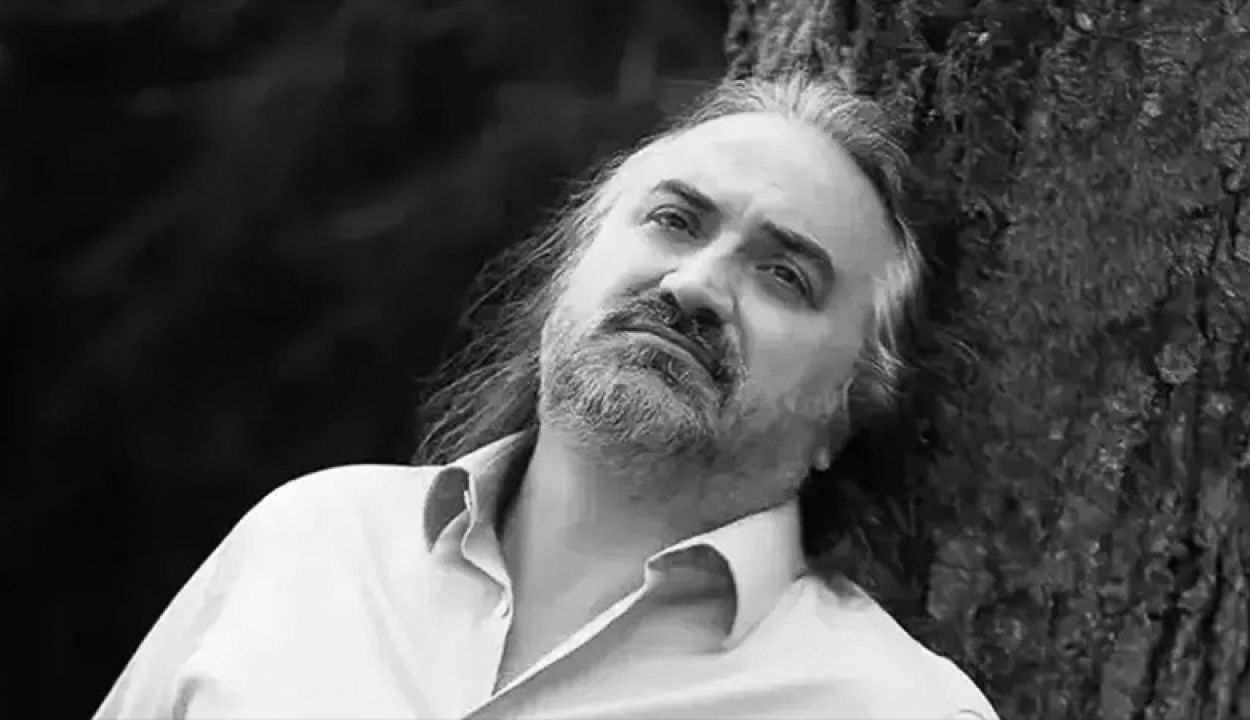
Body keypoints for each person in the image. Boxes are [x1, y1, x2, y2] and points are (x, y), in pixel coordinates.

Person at [95, 71, 999, 719]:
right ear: (571, 269)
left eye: (785, 275)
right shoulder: (310, 542)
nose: (694, 285)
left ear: (848, 408)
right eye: (674, 220)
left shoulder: (894, 707)